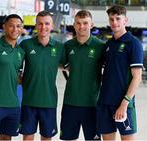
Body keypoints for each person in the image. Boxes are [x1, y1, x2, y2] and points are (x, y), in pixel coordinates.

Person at [96, 5, 143, 141]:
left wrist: (124, 103)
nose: (114, 22)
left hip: (123, 104)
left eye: (118, 18)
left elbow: (137, 77)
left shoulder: (133, 43)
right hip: (105, 102)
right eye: (111, 19)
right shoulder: (108, 45)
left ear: (125, 20)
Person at [60, 10, 105, 140]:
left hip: (93, 104)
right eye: (78, 23)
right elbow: (59, 63)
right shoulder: (67, 46)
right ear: (74, 25)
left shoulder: (100, 46)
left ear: (92, 25)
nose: (82, 26)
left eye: (85, 23)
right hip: (70, 102)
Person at [19, 11, 63, 140]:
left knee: (46, 137)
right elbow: (15, 68)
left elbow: (68, 66)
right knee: (27, 137)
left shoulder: (59, 47)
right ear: (36, 25)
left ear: (52, 26)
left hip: (49, 101)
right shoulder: (26, 45)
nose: (43, 27)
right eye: (40, 24)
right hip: (29, 100)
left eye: (47, 23)